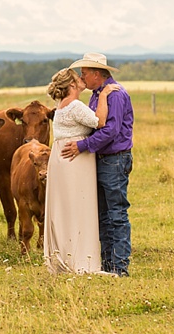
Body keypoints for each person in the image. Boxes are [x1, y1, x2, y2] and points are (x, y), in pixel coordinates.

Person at [61, 53, 134, 277]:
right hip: (103, 159)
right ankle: (108, 265)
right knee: (103, 214)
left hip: (114, 159)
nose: (82, 78)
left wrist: (83, 145)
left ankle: (120, 268)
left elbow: (110, 131)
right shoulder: (99, 94)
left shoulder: (115, 94)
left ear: (96, 74)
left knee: (116, 214)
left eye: (84, 73)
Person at [43, 68, 117, 275]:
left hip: (62, 157)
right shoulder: (74, 105)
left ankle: (66, 254)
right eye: (79, 77)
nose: (83, 79)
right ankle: (80, 259)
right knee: (78, 208)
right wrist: (103, 95)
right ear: (72, 85)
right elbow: (99, 122)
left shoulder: (61, 106)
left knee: (66, 208)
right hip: (74, 161)